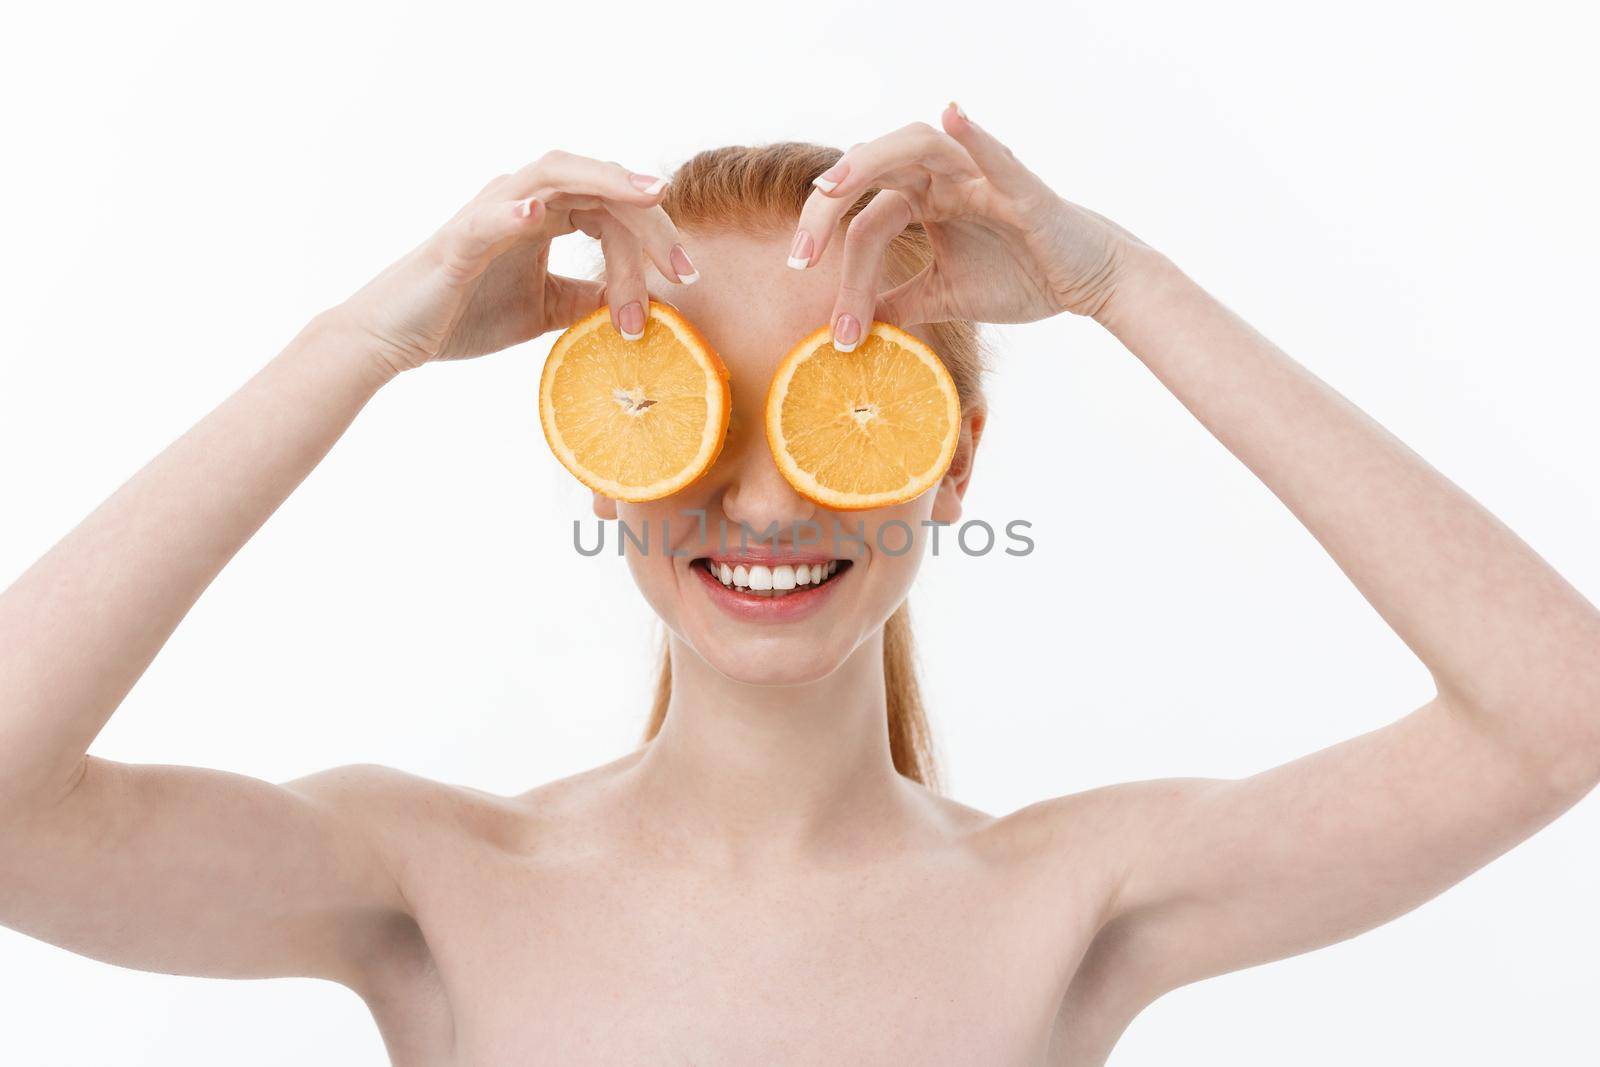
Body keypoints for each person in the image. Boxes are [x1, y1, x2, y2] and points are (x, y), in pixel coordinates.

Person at [1, 104, 1597, 1065]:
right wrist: (362, 343)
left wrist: (1123, 288)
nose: (760, 495)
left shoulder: (1072, 900)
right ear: (603, 443)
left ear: (951, 463)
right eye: (695, 417)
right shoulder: (432, 884)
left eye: (840, 415)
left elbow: (1557, 711)